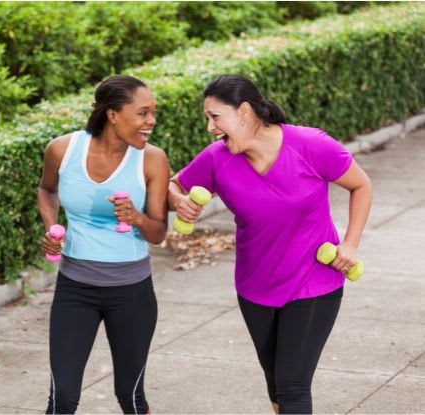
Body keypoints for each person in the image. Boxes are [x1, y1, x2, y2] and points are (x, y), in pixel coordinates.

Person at [168, 74, 372, 414]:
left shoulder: (309, 144)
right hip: (255, 287)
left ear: (244, 111)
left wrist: (350, 244)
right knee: (277, 385)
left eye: (215, 117)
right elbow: (174, 185)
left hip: (313, 282)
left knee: (293, 385)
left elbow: (361, 185)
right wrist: (179, 202)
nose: (210, 127)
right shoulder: (217, 158)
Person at [37, 74, 170, 414]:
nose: (151, 121)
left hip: (132, 293)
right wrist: (53, 229)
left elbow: (158, 233)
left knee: (131, 394)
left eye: (152, 113)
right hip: (75, 290)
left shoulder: (152, 159)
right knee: (63, 397)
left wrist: (137, 217)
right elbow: (46, 190)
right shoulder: (62, 150)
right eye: (143, 113)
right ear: (113, 114)